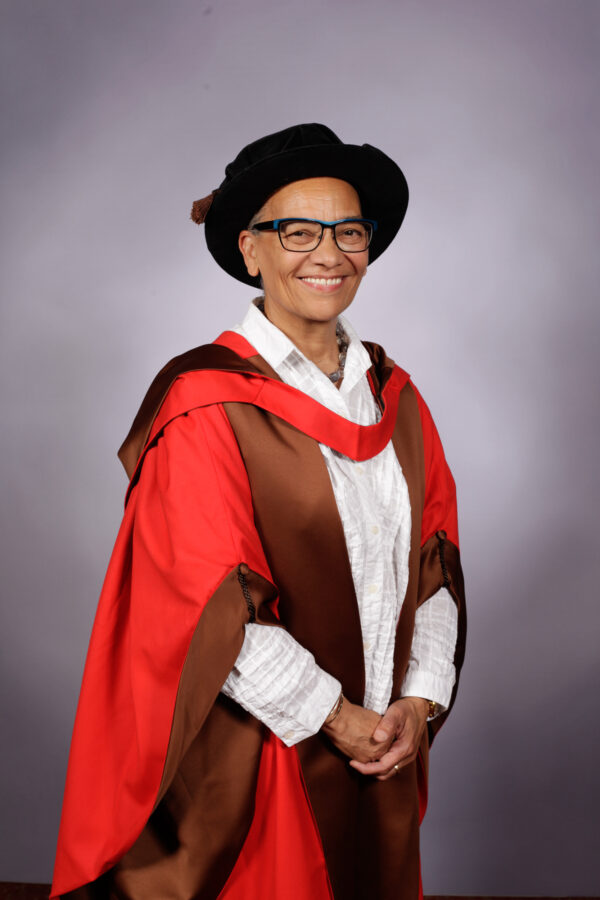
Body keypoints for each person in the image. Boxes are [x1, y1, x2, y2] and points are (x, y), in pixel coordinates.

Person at [51, 123, 466, 900]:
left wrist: (419, 698)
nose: (329, 253)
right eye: (298, 230)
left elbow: (435, 565)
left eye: (349, 230)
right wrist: (339, 720)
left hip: (381, 751)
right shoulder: (204, 404)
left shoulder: (398, 400)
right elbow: (215, 606)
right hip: (264, 761)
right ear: (251, 249)